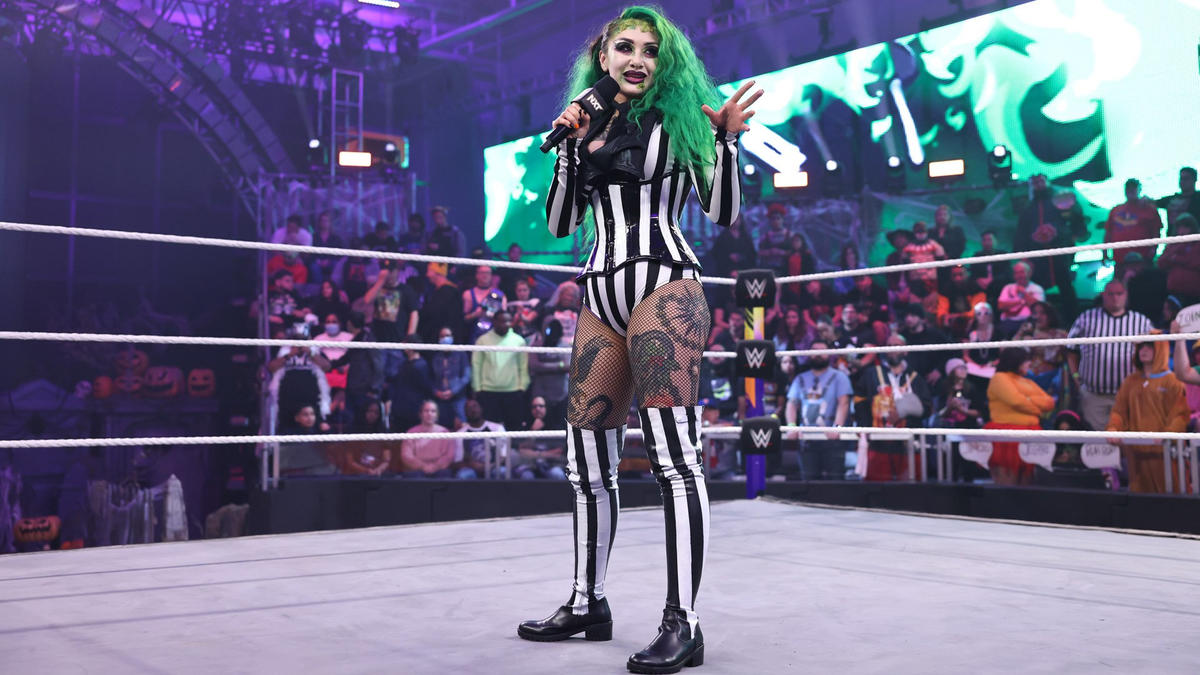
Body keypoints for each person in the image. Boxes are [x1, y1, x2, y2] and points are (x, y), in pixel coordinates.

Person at [519, 8, 759, 672]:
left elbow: (723, 212)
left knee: (675, 461)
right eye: (624, 47)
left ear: (664, 62)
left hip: (665, 286)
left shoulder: (682, 121)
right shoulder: (588, 123)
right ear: (603, 57)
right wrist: (571, 146)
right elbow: (561, 221)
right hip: (599, 293)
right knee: (586, 464)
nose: (637, 59)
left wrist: (727, 143)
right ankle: (586, 601)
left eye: (651, 51)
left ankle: (684, 622)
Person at [1105, 337, 1190, 493]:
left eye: (1149, 346)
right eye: (1141, 347)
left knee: (1172, 494)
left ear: (1161, 350)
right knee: (1140, 497)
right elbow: (1119, 411)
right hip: (1136, 454)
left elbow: (1180, 415)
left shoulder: (1173, 381)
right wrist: (1113, 428)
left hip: (1165, 453)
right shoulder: (1130, 381)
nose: (1143, 350)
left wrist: (1168, 434)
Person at [1066, 280, 1152, 431]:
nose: (1115, 298)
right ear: (1103, 295)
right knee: (1095, 440)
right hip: (1093, 395)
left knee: (1126, 439)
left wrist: (1146, 381)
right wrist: (1076, 377)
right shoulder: (1086, 318)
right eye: (1110, 294)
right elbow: (1071, 350)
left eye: (1119, 294)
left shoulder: (1141, 321)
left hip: (1128, 395)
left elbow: (1155, 353)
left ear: (1126, 295)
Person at [854, 334, 932, 481]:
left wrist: (903, 413)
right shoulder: (871, 374)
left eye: (897, 346)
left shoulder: (915, 378)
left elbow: (927, 408)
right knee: (876, 487)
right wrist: (864, 426)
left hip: (908, 444)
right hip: (878, 444)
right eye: (889, 346)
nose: (892, 349)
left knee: (910, 489)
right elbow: (860, 403)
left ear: (906, 351)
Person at [985, 347, 1055, 486]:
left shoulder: (1027, 381)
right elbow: (1016, 401)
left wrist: (1028, 400)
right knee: (1008, 484)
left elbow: (1049, 402)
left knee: (1027, 485)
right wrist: (1037, 409)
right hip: (1008, 437)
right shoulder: (1000, 378)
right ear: (1016, 361)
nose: (1029, 364)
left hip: (1030, 434)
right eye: (1026, 361)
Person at [785, 340, 852, 480]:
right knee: (809, 482)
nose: (818, 354)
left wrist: (837, 427)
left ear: (829, 354)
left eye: (822, 351)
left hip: (831, 440)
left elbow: (844, 403)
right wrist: (791, 426)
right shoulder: (800, 378)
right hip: (807, 438)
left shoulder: (839, 377)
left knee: (835, 481)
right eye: (815, 351)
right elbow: (791, 404)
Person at [471, 310, 529, 432]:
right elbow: (476, 365)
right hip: (488, 391)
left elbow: (523, 365)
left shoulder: (519, 341)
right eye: (502, 321)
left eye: (508, 321)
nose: (506, 324)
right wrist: (477, 388)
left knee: (514, 428)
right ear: (494, 322)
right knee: (490, 429)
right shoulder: (482, 340)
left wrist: (522, 386)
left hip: (513, 391)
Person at [1104, 179, 1162, 273]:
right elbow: (1108, 233)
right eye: (1128, 188)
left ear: (1139, 190)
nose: (1130, 191)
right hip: (1120, 259)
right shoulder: (1115, 210)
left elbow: (1156, 232)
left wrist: (1154, 249)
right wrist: (1105, 253)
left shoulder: (1149, 209)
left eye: (1133, 188)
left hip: (1143, 258)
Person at [396, 401, 459, 477]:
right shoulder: (411, 433)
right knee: (413, 476)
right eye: (426, 411)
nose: (429, 414)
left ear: (437, 415)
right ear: (420, 414)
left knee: (445, 474)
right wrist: (423, 466)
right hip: (417, 470)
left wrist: (435, 466)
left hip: (440, 470)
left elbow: (449, 456)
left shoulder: (445, 432)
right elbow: (406, 456)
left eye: (433, 411)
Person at [529, 319, 571, 429]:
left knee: (560, 425)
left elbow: (568, 366)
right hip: (541, 393)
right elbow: (534, 366)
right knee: (540, 425)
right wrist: (559, 365)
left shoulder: (565, 346)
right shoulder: (536, 346)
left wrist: (544, 365)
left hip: (561, 393)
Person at [515, 396, 569, 480]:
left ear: (546, 407)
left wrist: (535, 454)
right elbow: (521, 451)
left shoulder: (556, 426)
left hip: (553, 464)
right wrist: (533, 431)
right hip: (531, 465)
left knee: (556, 474)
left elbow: (559, 452)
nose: (537, 409)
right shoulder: (526, 426)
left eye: (541, 406)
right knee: (526, 476)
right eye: (534, 406)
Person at [455, 398, 510, 479]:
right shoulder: (460, 434)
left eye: (475, 406)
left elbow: (505, 455)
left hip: (494, 466)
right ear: (465, 413)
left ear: (481, 408)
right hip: (471, 469)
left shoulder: (497, 428)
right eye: (468, 408)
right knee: (463, 475)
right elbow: (457, 462)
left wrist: (490, 466)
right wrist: (471, 465)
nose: (472, 410)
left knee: (503, 472)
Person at [429, 325, 471, 429]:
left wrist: (453, 391)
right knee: (441, 428)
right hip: (440, 398)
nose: (445, 338)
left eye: (447, 335)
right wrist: (436, 392)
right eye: (442, 336)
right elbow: (430, 378)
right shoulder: (436, 357)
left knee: (462, 426)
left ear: (452, 337)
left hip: (458, 397)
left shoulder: (461, 354)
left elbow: (466, 376)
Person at [1157, 214, 1200, 306]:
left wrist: (1176, 259)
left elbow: (1196, 262)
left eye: (1186, 226)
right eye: (1180, 227)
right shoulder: (1173, 244)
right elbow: (1161, 262)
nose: (1182, 230)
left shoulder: (1197, 244)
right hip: (1174, 290)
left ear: (1192, 228)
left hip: (1194, 291)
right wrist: (1177, 248)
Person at [996, 262, 1045, 337]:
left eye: (1022, 272)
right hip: (1008, 323)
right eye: (1016, 273)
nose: (1019, 275)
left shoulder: (1037, 288)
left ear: (1029, 273)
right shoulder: (1008, 287)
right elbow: (1001, 306)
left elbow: (1039, 308)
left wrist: (1024, 293)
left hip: (1029, 323)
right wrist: (1022, 302)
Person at [419, 262, 463, 344]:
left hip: (441, 339)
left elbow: (434, 316)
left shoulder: (448, 292)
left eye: (429, 271)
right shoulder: (438, 291)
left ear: (437, 272)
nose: (427, 275)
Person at [463, 265, 507, 342]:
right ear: (477, 275)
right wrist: (475, 314)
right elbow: (463, 319)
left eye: (487, 273)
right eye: (482, 273)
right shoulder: (468, 294)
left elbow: (505, 319)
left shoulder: (500, 295)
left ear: (491, 276)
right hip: (474, 336)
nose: (485, 275)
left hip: (494, 337)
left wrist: (493, 316)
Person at [1155, 166, 1200, 231]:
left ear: (1194, 180)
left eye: (1186, 179)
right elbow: (1153, 203)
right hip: (1173, 236)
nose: (1182, 181)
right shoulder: (1170, 199)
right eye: (1181, 178)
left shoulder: (1198, 198)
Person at [902, 221, 945, 288]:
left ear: (927, 232)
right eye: (918, 231)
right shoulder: (908, 247)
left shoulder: (933, 245)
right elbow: (905, 261)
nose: (920, 234)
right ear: (914, 232)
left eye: (923, 231)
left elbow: (941, 257)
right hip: (915, 279)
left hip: (931, 278)